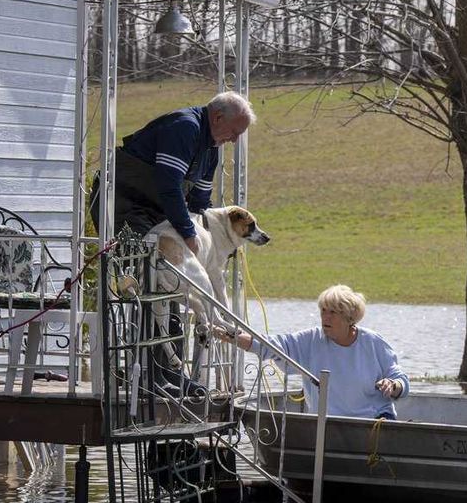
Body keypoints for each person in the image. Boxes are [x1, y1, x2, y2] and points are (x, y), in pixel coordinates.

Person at [214, 284, 409, 420]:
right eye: (323, 310)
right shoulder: (311, 340)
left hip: (375, 422)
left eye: (332, 312)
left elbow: (400, 379)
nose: (325, 317)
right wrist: (230, 336)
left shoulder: (373, 342)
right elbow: (270, 345)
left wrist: (393, 385)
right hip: (327, 427)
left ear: (349, 317)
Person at [91, 91, 254, 250]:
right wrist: (189, 234)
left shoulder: (211, 149)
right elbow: (169, 186)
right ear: (218, 117)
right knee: (145, 260)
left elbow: (200, 203)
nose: (234, 140)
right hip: (123, 201)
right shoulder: (185, 128)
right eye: (234, 132)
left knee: (172, 260)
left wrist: (217, 238)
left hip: (157, 210)